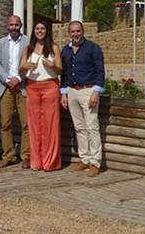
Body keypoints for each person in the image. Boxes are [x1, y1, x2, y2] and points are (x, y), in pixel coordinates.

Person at [60, 20, 105, 177]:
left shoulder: (93, 48)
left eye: (78, 31)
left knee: (92, 127)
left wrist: (96, 92)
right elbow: (64, 74)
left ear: (83, 31)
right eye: (72, 32)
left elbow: (100, 71)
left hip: (88, 90)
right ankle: (84, 159)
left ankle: (95, 162)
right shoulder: (65, 50)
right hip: (72, 91)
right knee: (79, 127)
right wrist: (63, 93)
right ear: (69, 33)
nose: (75, 34)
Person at [20, 21, 62, 171]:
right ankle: (36, 161)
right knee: (34, 125)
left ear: (47, 30)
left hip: (50, 86)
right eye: (37, 28)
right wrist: (25, 67)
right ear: (34, 31)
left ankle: (50, 162)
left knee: (51, 124)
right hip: (32, 87)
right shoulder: (28, 48)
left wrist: (52, 66)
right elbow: (21, 70)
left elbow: (60, 70)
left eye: (42, 28)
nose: (40, 31)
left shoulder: (54, 47)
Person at [0, 14, 30, 168]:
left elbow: (31, 63)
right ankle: (8, 155)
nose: (14, 27)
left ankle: (26, 156)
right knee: (5, 123)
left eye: (17, 25)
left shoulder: (28, 41)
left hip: (23, 86)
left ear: (21, 26)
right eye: (12, 25)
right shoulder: (1, 43)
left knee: (26, 124)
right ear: (8, 26)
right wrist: (8, 80)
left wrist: (19, 79)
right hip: (5, 86)